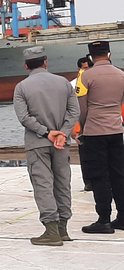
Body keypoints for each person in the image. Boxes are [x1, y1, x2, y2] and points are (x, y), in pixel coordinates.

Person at [13, 46, 80, 246]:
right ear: (46, 62)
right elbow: (73, 112)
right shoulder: (64, 83)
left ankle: (51, 231)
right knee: (62, 182)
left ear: (26, 66)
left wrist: (45, 132)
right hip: (61, 143)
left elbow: (24, 117)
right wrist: (62, 133)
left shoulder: (21, 87)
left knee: (43, 185)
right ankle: (63, 229)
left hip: (37, 143)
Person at [79, 41, 124, 234]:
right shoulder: (121, 74)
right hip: (116, 130)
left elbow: (82, 108)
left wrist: (82, 129)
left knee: (99, 176)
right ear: (109, 54)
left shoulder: (85, 76)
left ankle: (103, 219)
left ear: (90, 56)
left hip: (95, 132)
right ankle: (122, 217)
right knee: (119, 174)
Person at [71, 56, 94, 191]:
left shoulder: (97, 81)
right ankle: (88, 182)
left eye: (88, 68)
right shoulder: (72, 85)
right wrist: (74, 131)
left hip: (97, 125)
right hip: (81, 127)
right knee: (85, 157)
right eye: (84, 68)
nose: (86, 70)